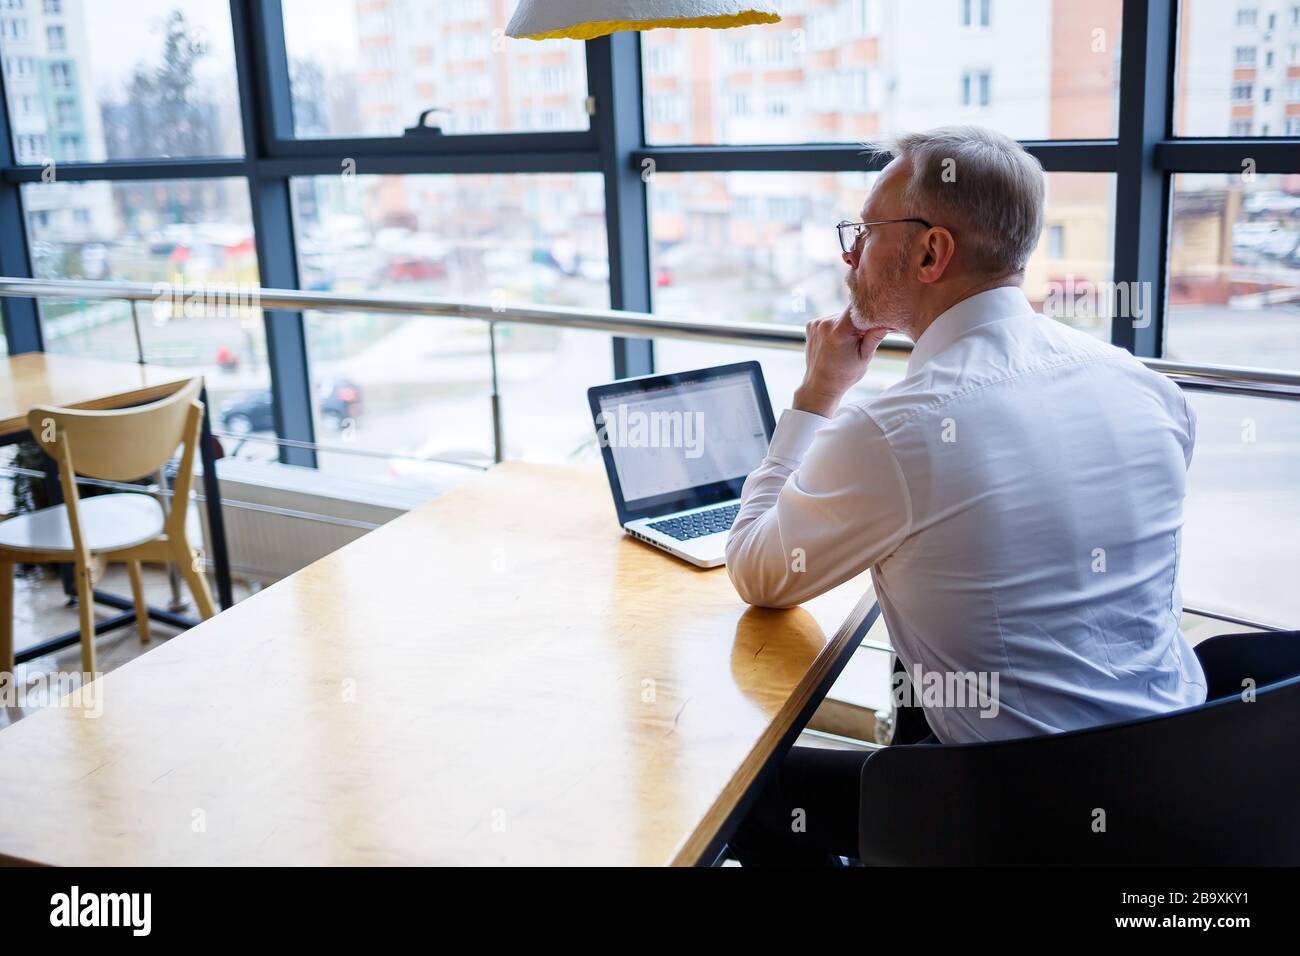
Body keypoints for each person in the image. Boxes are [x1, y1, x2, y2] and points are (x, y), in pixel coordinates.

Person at [724, 126, 1206, 866]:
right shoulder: (1147, 388)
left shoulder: (893, 431)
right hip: (1185, 773)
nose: (849, 254)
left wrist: (817, 397)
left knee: (742, 790)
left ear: (929, 252)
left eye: (864, 232)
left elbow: (757, 570)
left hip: (1018, 812)